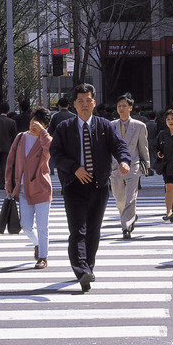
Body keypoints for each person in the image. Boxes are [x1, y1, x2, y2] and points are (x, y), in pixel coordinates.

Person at [49, 83, 132, 292]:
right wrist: (74, 168)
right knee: (78, 230)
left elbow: (119, 145)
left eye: (88, 100)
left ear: (94, 102)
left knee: (94, 230)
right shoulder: (64, 128)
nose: (84, 104)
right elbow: (56, 154)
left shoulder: (105, 126)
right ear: (74, 104)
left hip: (99, 185)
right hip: (74, 185)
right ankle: (81, 269)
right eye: (80, 101)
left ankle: (88, 268)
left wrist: (124, 161)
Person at [5, 107, 53, 268]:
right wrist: (9, 184)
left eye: (39, 123)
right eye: (33, 121)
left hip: (41, 188)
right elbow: (10, 162)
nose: (34, 125)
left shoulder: (45, 140)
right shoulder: (20, 137)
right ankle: (38, 244)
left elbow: (51, 149)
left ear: (45, 125)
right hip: (23, 189)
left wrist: (43, 133)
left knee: (42, 225)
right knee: (25, 225)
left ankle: (43, 257)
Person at [111, 94, 151, 239]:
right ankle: (130, 216)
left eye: (124, 106)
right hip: (115, 167)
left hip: (132, 165)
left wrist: (146, 163)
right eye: (119, 106)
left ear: (130, 108)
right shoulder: (111, 125)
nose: (121, 108)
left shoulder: (140, 126)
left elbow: (143, 146)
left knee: (130, 197)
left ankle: (126, 227)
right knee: (119, 198)